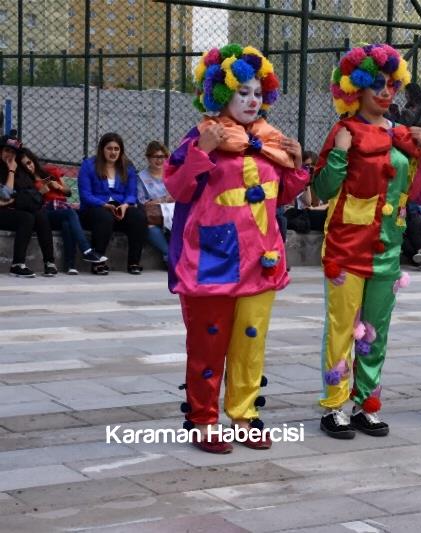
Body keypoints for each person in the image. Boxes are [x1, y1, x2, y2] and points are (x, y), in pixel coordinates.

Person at [166, 43, 308, 453]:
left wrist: (296, 168)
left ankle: (244, 414)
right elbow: (176, 187)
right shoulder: (202, 135)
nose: (252, 100)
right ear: (221, 93)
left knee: (250, 341)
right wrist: (204, 151)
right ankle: (203, 418)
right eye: (243, 91)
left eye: (258, 93)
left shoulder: (270, 140)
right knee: (208, 340)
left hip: (261, 257)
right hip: (214, 258)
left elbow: (277, 195)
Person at [314, 43, 421, 439]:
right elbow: (323, 189)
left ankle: (366, 403)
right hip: (347, 248)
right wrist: (339, 156)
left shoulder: (400, 136)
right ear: (357, 88)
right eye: (377, 85)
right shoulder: (344, 131)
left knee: (376, 330)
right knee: (343, 329)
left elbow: (412, 191)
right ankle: (335, 406)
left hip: (387, 248)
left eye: (391, 86)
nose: (386, 93)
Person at [19, 148, 105, 274]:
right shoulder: (27, 180)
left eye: (29, 162)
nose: (28, 167)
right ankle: (86, 250)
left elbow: (68, 192)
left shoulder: (49, 171)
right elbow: (31, 202)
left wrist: (57, 186)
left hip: (61, 207)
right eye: (24, 166)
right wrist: (40, 192)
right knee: (70, 214)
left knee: (67, 223)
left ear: (33, 160)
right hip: (47, 212)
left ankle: (70, 265)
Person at [78, 132, 148, 275]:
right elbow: (86, 195)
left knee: (138, 217)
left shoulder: (127, 167)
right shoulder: (89, 165)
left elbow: (131, 193)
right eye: (109, 148)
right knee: (104, 217)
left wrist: (125, 205)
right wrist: (104, 205)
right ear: (102, 149)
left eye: (117, 149)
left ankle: (134, 262)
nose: (113, 152)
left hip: (119, 208)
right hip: (94, 209)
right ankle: (98, 261)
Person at [0, 136, 57, 277]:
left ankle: (49, 262)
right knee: (26, 218)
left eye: (13, 153)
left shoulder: (21, 171)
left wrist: (12, 199)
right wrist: (11, 171)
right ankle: (17, 264)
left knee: (39, 215)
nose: (10, 155)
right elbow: (6, 195)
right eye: (7, 150)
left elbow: (26, 195)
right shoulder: (9, 169)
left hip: (11, 210)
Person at [137, 141, 173, 265]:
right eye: (155, 157)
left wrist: (157, 201)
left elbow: (178, 195)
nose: (159, 160)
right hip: (154, 216)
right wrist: (164, 199)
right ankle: (169, 256)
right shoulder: (141, 177)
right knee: (149, 227)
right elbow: (143, 202)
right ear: (148, 158)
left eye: (162, 157)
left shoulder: (171, 174)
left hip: (171, 214)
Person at [285, 151, 328, 233]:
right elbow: (307, 202)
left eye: (313, 166)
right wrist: (306, 181)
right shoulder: (297, 181)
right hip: (302, 215)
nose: (310, 169)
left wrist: (314, 209)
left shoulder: (320, 182)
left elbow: (330, 204)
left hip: (313, 213)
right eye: (307, 166)